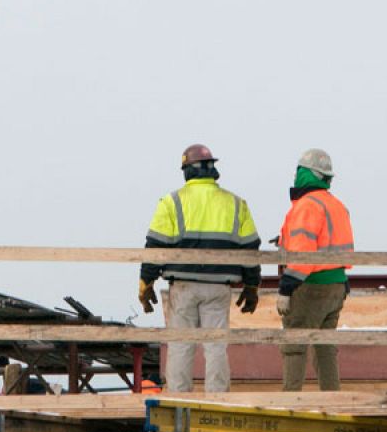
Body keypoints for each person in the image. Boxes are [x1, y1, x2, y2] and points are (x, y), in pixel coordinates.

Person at [138, 144, 261, 393]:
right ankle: (218, 401)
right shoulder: (236, 204)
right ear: (212, 170)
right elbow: (250, 249)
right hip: (218, 285)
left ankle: (178, 401)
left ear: (187, 171)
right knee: (216, 346)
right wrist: (251, 286)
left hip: (183, 286)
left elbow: (155, 246)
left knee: (181, 345)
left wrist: (146, 282)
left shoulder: (172, 202)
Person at [276, 148, 354, 391]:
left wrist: (286, 289)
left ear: (305, 174)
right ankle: (332, 403)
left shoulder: (307, 206)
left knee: (294, 345)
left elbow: (302, 255)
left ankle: (290, 404)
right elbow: (329, 242)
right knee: (325, 348)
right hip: (336, 285)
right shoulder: (336, 205)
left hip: (311, 285)